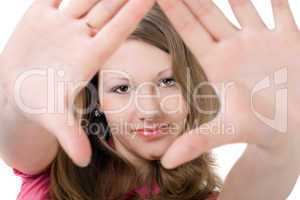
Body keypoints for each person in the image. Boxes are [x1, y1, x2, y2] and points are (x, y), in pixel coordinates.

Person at [0, 0, 299, 200]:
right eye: (121, 89)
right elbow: (19, 138)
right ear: (96, 100)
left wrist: (284, 139)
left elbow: (269, 168)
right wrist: (20, 104)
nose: (150, 110)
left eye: (167, 81)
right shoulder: (51, 173)